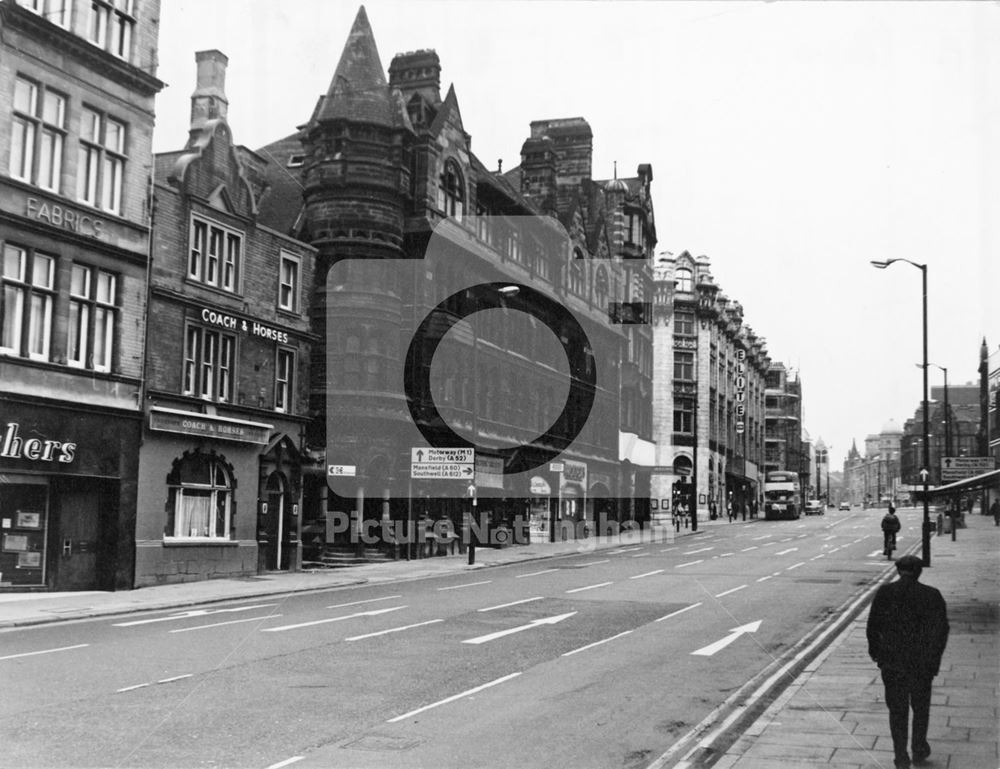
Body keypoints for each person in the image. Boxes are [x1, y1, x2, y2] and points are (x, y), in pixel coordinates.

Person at [866, 554, 949, 768]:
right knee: (921, 707)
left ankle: (900, 755)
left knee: (897, 710)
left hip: (892, 663)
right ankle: (919, 746)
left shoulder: (885, 593)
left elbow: (873, 626)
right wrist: (934, 661)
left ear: (898, 570)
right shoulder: (932, 595)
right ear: (919, 571)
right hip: (921, 664)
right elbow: (941, 632)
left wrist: (877, 655)